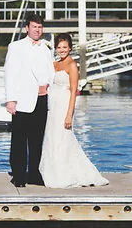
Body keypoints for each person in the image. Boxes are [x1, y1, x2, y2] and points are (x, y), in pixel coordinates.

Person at [39, 33, 108, 188]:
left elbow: (73, 92)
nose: (62, 50)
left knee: (63, 139)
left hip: (64, 106)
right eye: (59, 47)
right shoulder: (55, 64)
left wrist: (69, 115)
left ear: (70, 48)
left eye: (64, 47)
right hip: (53, 107)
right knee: (51, 139)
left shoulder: (72, 65)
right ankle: (52, 174)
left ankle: (65, 175)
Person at [3, 12, 55, 187]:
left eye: (40, 27)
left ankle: (34, 173)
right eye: (34, 27)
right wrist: (10, 100)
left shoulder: (46, 48)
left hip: (42, 99)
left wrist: (49, 88)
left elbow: (50, 73)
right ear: (27, 28)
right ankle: (18, 175)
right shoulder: (15, 47)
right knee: (19, 140)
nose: (37, 30)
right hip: (22, 100)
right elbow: (10, 75)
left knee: (37, 140)